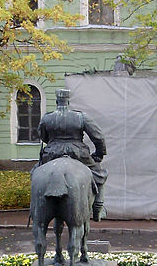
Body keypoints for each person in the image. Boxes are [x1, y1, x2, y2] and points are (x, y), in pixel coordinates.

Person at [37, 88, 108, 221]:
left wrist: (53, 142)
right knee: (100, 173)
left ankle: (36, 208)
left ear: (57, 101)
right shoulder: (81, 117)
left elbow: (42, 136)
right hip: (78, 153)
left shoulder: (47, 118)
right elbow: (98, 137)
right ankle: (98, 209)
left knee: (36, 173)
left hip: (51, 153)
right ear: (68, 101)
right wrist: (99, 153)